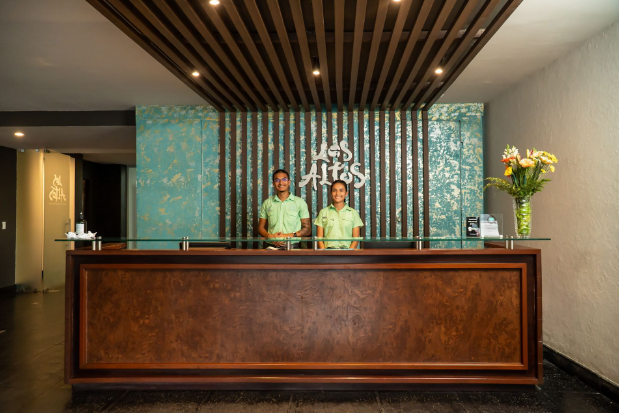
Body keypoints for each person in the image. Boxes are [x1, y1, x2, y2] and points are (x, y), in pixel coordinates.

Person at [258, 169, 311, 248]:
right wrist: (270, 236)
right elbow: (260, 228)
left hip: (293, 247)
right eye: (277, 180)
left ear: (289, 182)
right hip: (271, 246)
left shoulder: (300, 202)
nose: (281, 183)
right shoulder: (267, 203)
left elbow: (307, 229)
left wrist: (289, 235)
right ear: (273, 183)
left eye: (284, 179)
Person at [314, 180, 363, 249]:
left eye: (341, 190)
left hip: (347, 252)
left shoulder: (353, 213)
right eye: (334, 190)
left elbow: (356, 239)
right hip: (328, 252)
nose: (337, 193)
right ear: (331, 193)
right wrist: (324, 253)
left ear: (346, 193)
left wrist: (348, 253)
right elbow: (319, 238)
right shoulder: (323, 212)